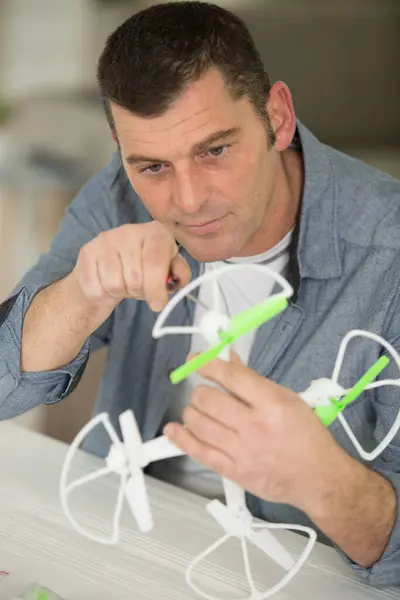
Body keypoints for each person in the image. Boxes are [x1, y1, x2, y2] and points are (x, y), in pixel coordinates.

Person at [0, 0, 399, 586]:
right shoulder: (118, 194)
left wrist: (323, 483)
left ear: (278, 118)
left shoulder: (387, 254)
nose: (187, 201)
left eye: (215, 151)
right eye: (153, 166)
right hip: (127, 545)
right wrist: (83, 295)